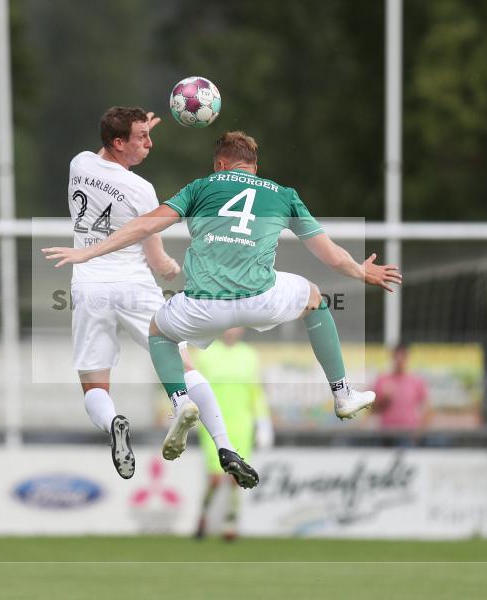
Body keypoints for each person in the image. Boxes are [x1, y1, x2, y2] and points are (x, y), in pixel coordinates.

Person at [45, 131, 402, 489]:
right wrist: (360, 270)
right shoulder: (282, 194)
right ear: (255, 167)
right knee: (314, 298)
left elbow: (144, 225)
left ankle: (180, 401)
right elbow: (331, 255)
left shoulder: (201, 187)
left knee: (159, 331)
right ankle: (342, 394)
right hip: (261, 301)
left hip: (201, 306)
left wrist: (86, 252)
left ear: (219, 164)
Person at [63, 106, 231, 481]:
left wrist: (130, 139)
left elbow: (102, 157)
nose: (150, 143)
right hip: (136, 285)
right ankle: (221, 442)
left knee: (94, 385)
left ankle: (113, 424)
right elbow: (156, 259)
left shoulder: (79, 163)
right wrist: (174, 268)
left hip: (90, 285)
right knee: (183, 366)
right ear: (119, 142)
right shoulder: (142, 190)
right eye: (142, 137)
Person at [182, 328, 273, 540]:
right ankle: (203, 516)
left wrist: (263, 422)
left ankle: (230, 523)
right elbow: (192, 386)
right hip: (213, 422)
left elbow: (256, 392)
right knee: (214, 477)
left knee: (237, 476)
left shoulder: (249, 355)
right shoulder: (206, 353)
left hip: (242, 422)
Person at [370, 343, 430, 446]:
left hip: (408, 434)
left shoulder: (416, 381)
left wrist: (419, 431)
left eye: (402, 356)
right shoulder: (383, 380)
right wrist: (384, 399)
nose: (399, 360)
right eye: (396, 356)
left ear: (407, 358)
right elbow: (373, 410)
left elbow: (427, 409)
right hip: (386, 434)